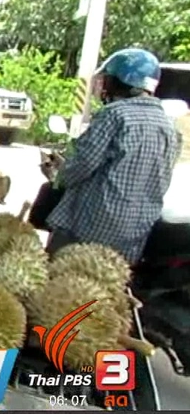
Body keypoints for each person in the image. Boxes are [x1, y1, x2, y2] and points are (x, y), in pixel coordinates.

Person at [45, 48, 180, 265]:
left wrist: (58, 174)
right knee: (106, 294)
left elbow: (80, 166)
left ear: (119, 81)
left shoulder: (115, 115)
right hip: (135, 234)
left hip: (93, 228)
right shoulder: (169, 125)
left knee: (57, 282)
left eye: (107, 79)